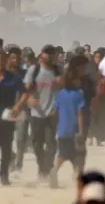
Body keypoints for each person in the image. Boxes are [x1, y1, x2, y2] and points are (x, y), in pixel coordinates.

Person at [24, 44, 61, 179]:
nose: (49, 55)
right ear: (42, 54)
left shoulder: (58, 70)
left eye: (52, 53)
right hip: (36, 113)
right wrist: (29, 98)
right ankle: (42, 167)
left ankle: (49, 167)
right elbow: (26, 87)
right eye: (47, 53)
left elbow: (63, 88)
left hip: (52, 112)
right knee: (37, 143)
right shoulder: (34, 70)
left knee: (51, 143)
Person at [50, 61, 86, 188]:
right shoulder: (79, 94)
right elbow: (80, 114)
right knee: (74, 155)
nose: (79, 80)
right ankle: (57, 171)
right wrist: (81, 131)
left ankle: (61, 172)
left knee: (66, 154)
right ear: (74, 80)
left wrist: (56, 127)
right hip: (73, 130)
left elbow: (56, 111)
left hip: (62, 129)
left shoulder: (61, 94)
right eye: (77, 79)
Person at [0, 50, 27, 185]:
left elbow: (24, 93)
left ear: (6, 60)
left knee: (6, 147)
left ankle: (4, 174)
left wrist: (18, 106)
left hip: (7, 117)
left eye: (1, 59)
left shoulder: (13, 78)